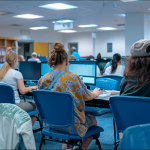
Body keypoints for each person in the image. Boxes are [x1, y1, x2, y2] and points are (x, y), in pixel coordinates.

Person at [38, 42, 101, 150]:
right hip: (73, 126)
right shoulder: (73, 77)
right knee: (93, 121)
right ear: (67, 62)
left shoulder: (42, 79)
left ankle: (68, 146)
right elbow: (86, 96)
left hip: (52, 124)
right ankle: (81, 148)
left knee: (70, 121)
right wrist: (94, 93)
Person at [0, 47, 38, 125]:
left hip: (3, 106)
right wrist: (32, 87)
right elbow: (23, 91)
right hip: (15, 105)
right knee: (36, 106)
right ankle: (26, 131)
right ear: (15, 61)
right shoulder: (17, 73)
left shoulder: (1, 73)